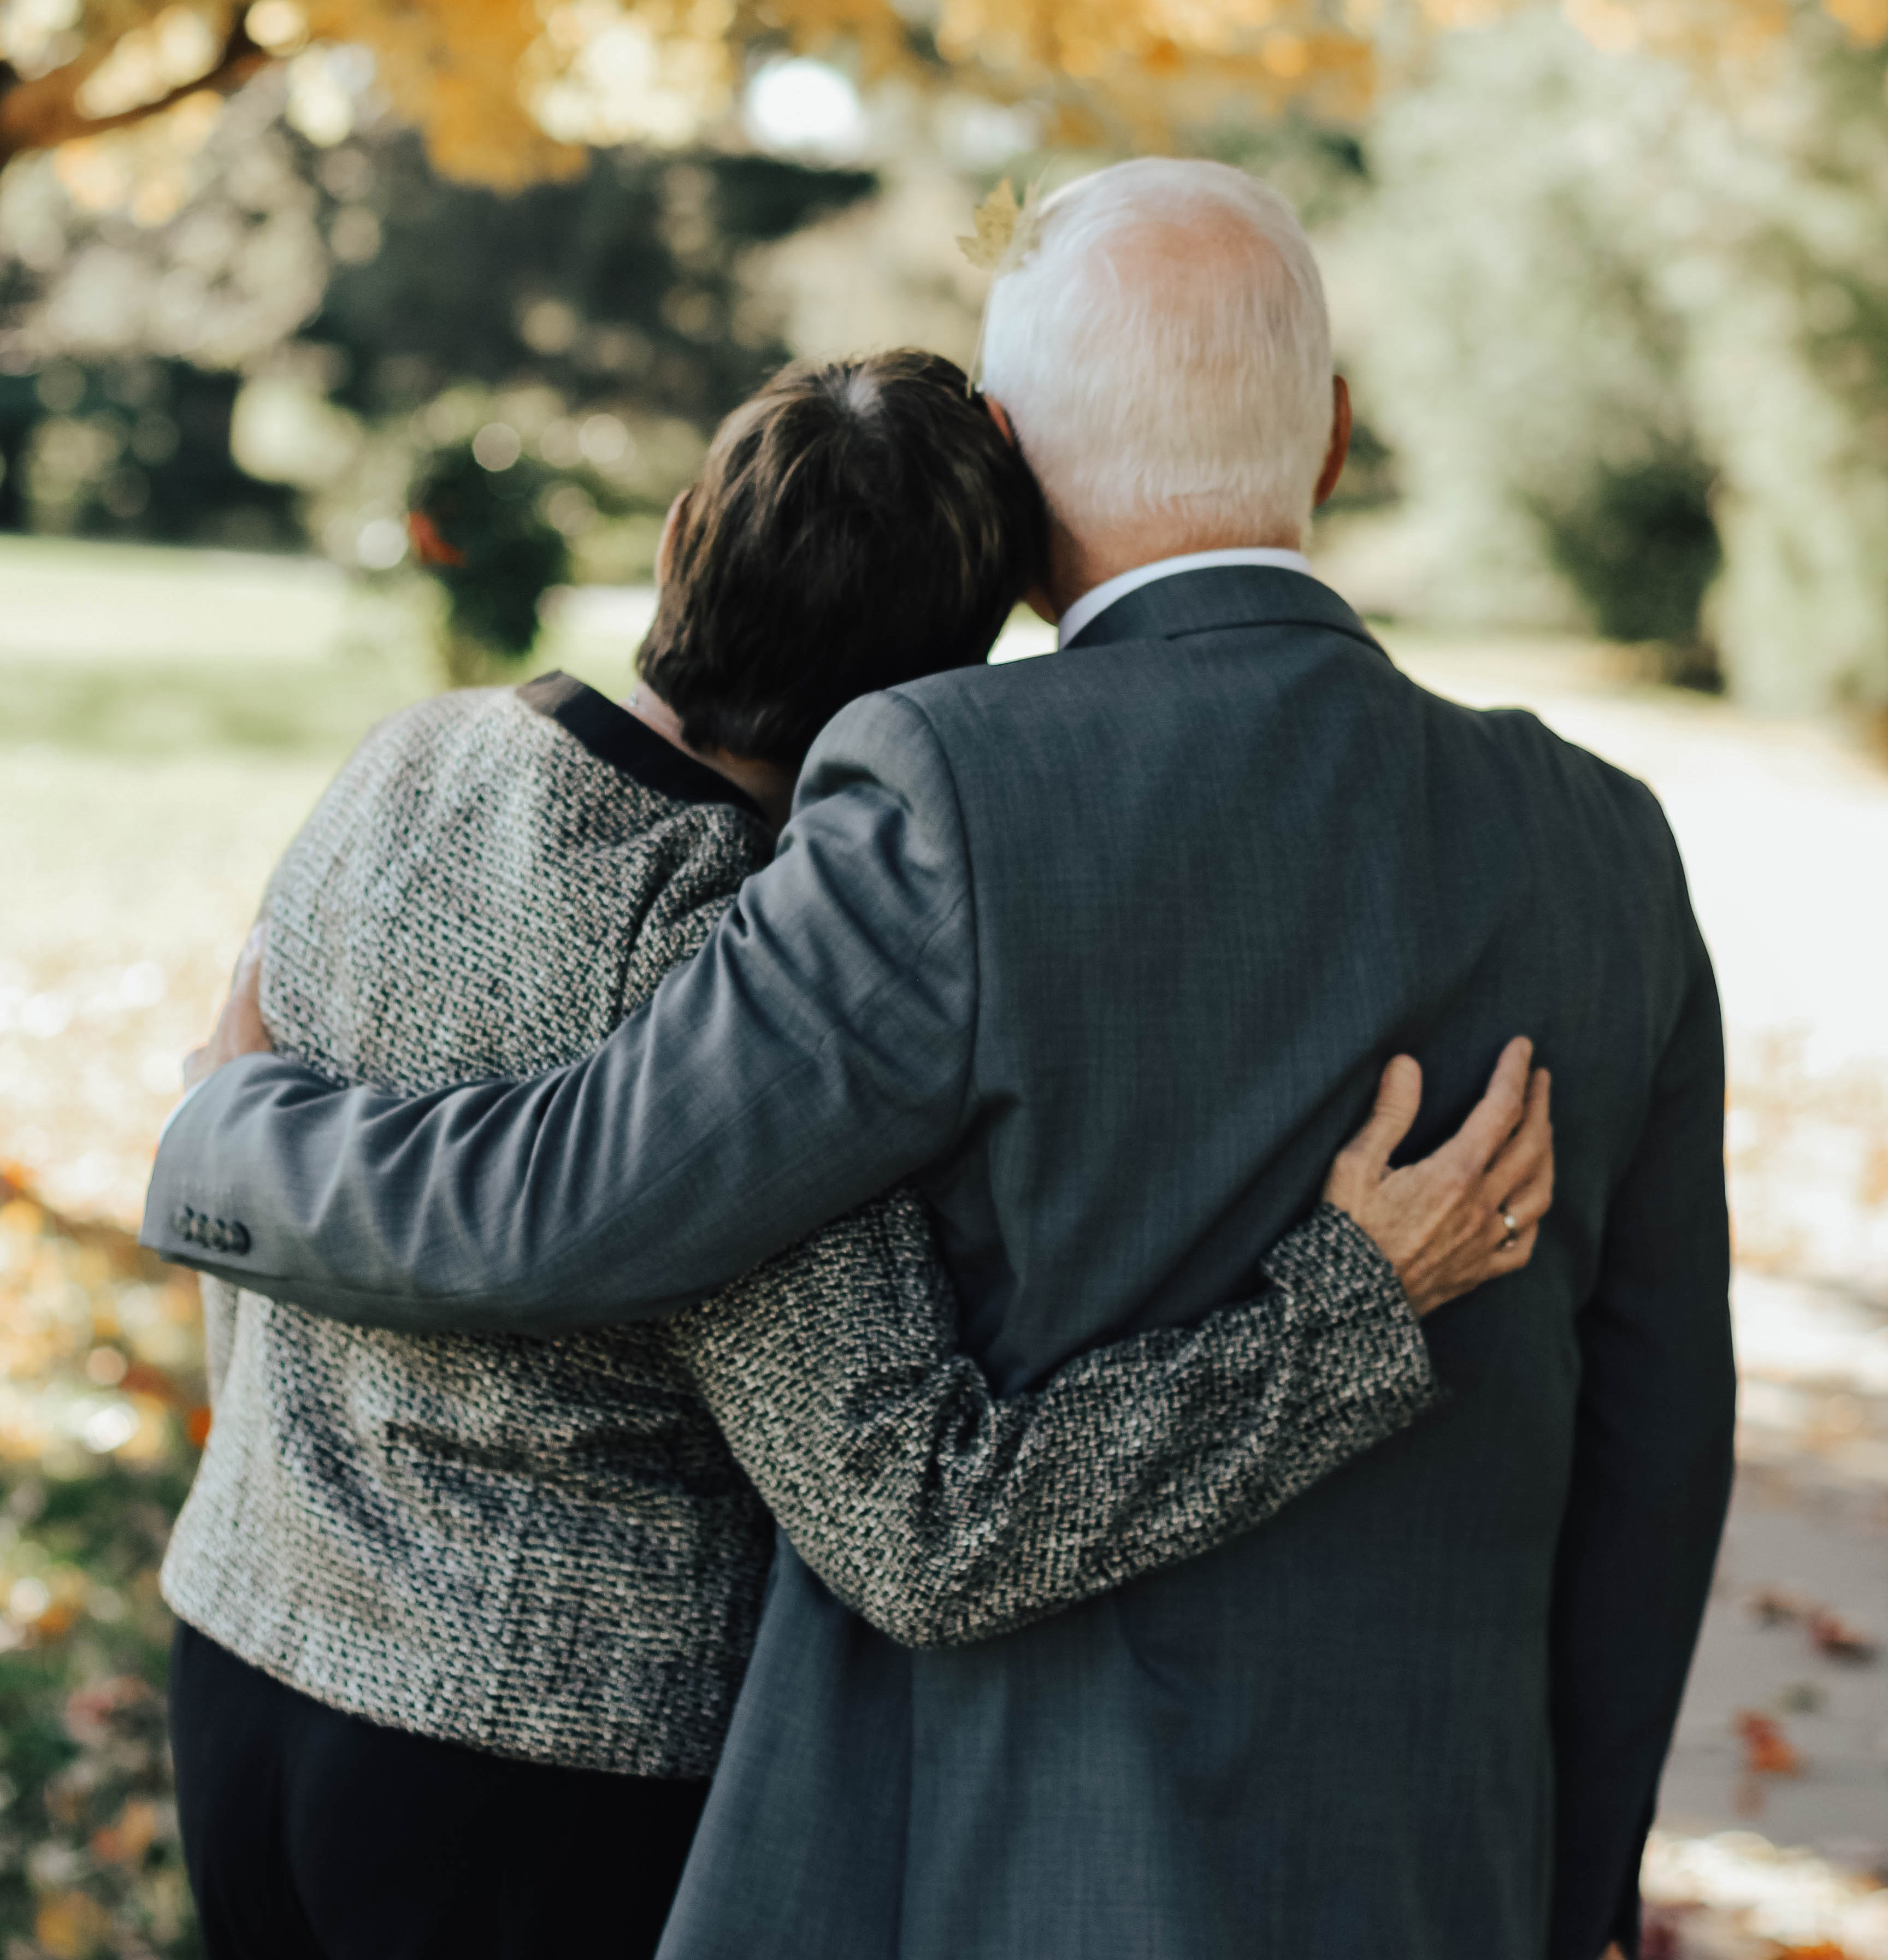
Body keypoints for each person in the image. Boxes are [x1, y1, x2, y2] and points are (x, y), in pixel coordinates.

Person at [145, 160, 1734, 1960]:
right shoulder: (1613, 843)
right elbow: (1659, 1434)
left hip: (998, 1864)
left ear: (1017, 448)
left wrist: (228, 1128)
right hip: (1450, 1859)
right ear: (1338, 435)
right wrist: (1580, 1868)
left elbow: (583, 1200)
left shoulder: (923, 800)